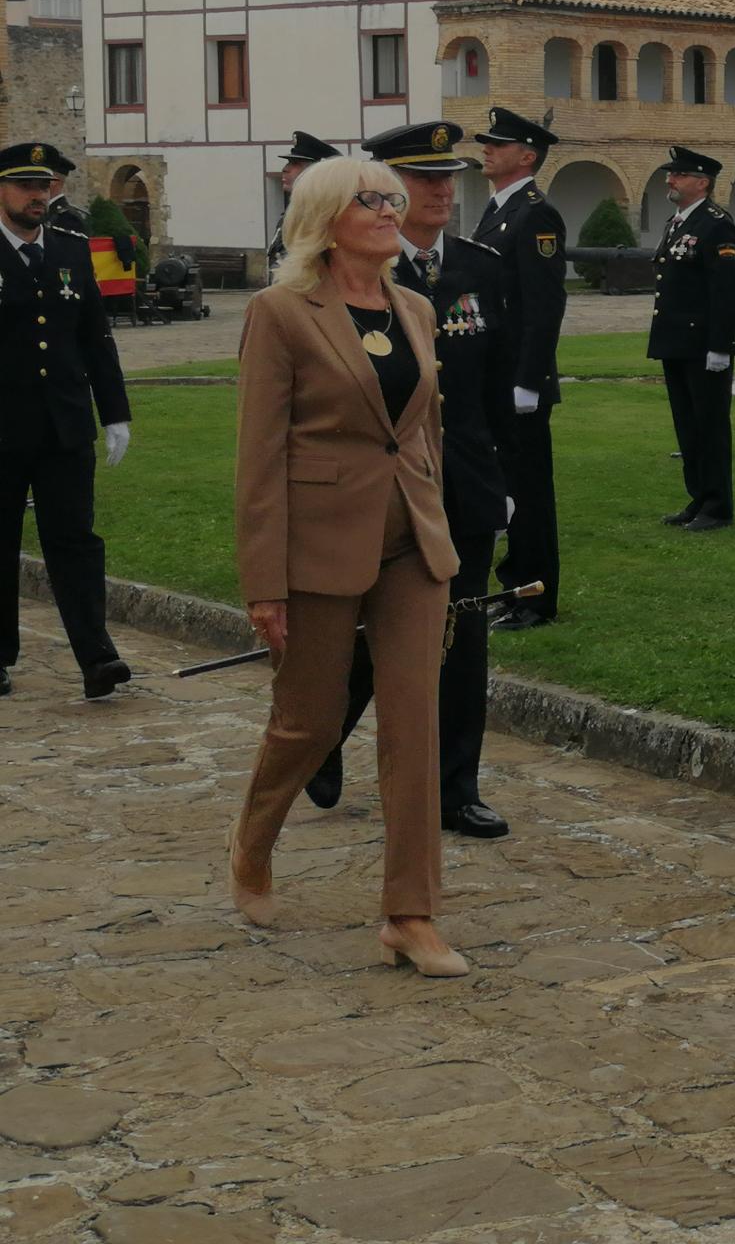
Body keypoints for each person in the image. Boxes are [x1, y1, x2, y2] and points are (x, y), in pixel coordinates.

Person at [229, 155, 466, 977]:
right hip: (318, 547)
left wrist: (435, 515)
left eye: (392, 199)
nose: (390, 209)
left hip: (412, 547)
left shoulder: (416, 309)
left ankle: (411, 912)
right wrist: (263, 582)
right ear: (327, 217)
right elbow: (258, 457)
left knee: (413, 724)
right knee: (310, 721)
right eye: (370, 200)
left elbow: (423, 428)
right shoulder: (281, 312)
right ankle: (254, 840)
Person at [312, 120, 516, 840]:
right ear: (385, 189)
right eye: (420, 179)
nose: (437, 191)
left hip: (461, 485)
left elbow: (497, 391)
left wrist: (504, 478)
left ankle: (456, 787)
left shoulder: (481, 267)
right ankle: (323, 735)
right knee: (372, 629)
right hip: (380, 490)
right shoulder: (356, 270)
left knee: (462, 638)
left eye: (446, 178)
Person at [0, 141, 133, 701]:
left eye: (45, 185)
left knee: (75, 541)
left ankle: (97, 656)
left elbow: (95, 339)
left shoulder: (72, 250)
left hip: (64, 426)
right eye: (27, 186)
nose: (39, 195)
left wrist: (115, 414)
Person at [473, 107, 567, 630]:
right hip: (496, 377)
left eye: (498, 143)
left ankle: (535, 597)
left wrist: (529, 381)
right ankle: (513, 587)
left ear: (526, 155)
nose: (487, 148)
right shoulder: (496, 211)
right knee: (506, 488)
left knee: (529, 493)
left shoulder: (535, 214)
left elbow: (544, 305)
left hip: (519, 383)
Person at [649, 146, 735, 532]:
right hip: (676, 343)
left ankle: (718, 505)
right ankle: (698, 497)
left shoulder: (716, 224)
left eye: (679, 174)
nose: (670, 179)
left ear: (702, 182)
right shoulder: (677, 223)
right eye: (671, 174)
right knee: (687, 426)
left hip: (704, 347)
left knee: (710, 426)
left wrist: (720, 346)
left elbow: (727, 290)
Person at [267, 131, 340, 271]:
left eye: (295, 163)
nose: (285, 169)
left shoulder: (320, 217)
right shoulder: (295, 212)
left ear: (315, 172)